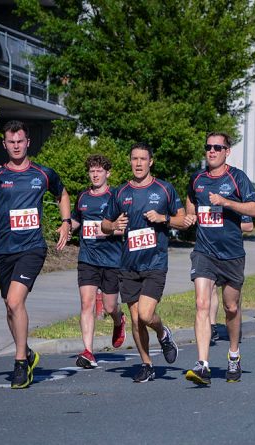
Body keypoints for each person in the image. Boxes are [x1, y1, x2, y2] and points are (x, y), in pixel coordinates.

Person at [0, 120, 72, 389]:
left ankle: (20, 365)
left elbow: (62, 194)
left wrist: (66, 222)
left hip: (32, 248)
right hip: (4, 250)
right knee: (9, 306)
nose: (16, 146)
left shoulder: (42, 173)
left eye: (20, 141)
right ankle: (26, 352)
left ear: (28, 142)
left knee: (16, 301)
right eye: (11, 142)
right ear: (5, 145)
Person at [183, 132, 255, 385]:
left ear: (227, 151)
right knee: (202, 304)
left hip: (232, 254)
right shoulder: (197, 179)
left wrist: (227, 203)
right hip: (204, 252)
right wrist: (190, 215)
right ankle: (203, 364)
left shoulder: (237, 178)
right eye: (208, 147)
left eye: (218, 147)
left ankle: (234, 353)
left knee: (231, 307)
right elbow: (190, 199)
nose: (212, 151)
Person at [101, 142, 184, 383]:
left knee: (146, 315)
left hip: (155, 262)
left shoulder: (164, 189)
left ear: (151, 162)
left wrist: (163, 218)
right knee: (136, 319)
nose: (138, 163)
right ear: (130, 162)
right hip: (128, 265)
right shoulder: (120, 192)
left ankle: (163, 332)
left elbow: (182, 220)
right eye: (134, 159)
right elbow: (105, 224)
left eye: (143, 159)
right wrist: (114, 226)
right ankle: (147, 364)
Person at [71, 154, 126, 369]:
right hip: (87, 258)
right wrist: (66, 228)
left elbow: (123, 227)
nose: (95, 175)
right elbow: (77, 219)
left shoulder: (116, 196)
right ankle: (88, 351)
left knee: (111, 306)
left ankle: (118, 319)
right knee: (87, 303)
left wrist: (108, 229)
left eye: (99, 171)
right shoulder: (83, 196)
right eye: (92, 171)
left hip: (112, 259)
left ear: (107, 173)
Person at [209, 216, 254, 345]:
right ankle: (212, 327)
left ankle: (235, 327)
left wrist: (226, 225)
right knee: (210, 287)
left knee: (231, 301)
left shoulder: (236, 200)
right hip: (209, 250)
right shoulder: (206, 198)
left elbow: (249, 226)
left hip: (232, 252)